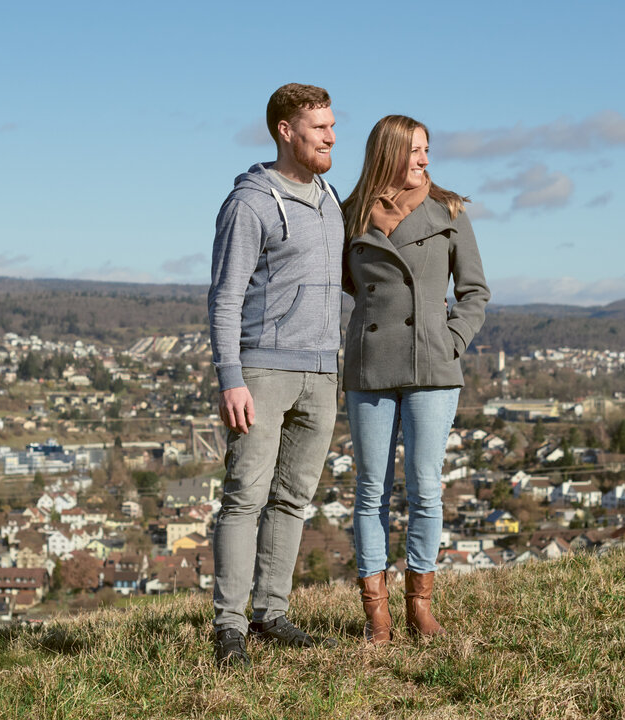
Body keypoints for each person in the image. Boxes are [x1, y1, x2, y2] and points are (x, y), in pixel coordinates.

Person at [207, 83, 343, 667]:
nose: (332, 137)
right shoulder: (250, 203)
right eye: (320, 128)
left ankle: (272, 613)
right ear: (287, 131)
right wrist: (230, 376)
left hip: (323, 371)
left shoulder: (329, 196)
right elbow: (224, 298)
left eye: (334, 126)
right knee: (244, 498)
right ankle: (229, 627)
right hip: (262, 369)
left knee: (291, 500)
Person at [341, 115, 490, 645]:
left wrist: (451, 340)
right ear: (390, 153)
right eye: (415, 151)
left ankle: (419, 606)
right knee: (370, 491)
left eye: (427, 150)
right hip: (370, 365)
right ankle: (375, 613)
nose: (424, 160)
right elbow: (338, 286)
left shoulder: (448, 211)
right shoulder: (352, 212)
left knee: (426, 489)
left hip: (432, 365)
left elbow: (475, 291)